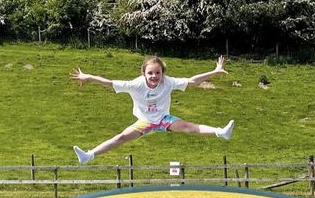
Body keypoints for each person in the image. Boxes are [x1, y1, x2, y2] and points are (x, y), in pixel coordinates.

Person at [70, 55, 235, 164]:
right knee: (120, 137)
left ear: (163, 73)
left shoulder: (168, 82)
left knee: (187, 127)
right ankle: (88, 155)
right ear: (143, 73)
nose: (154, 76)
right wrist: (89, 77)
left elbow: (192, 82)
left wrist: (215, 71)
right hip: (145, 122)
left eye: (158, 72)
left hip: (164, 119)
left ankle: (221, 132)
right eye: (150, 73)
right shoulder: (136, 85)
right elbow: (109, 83)